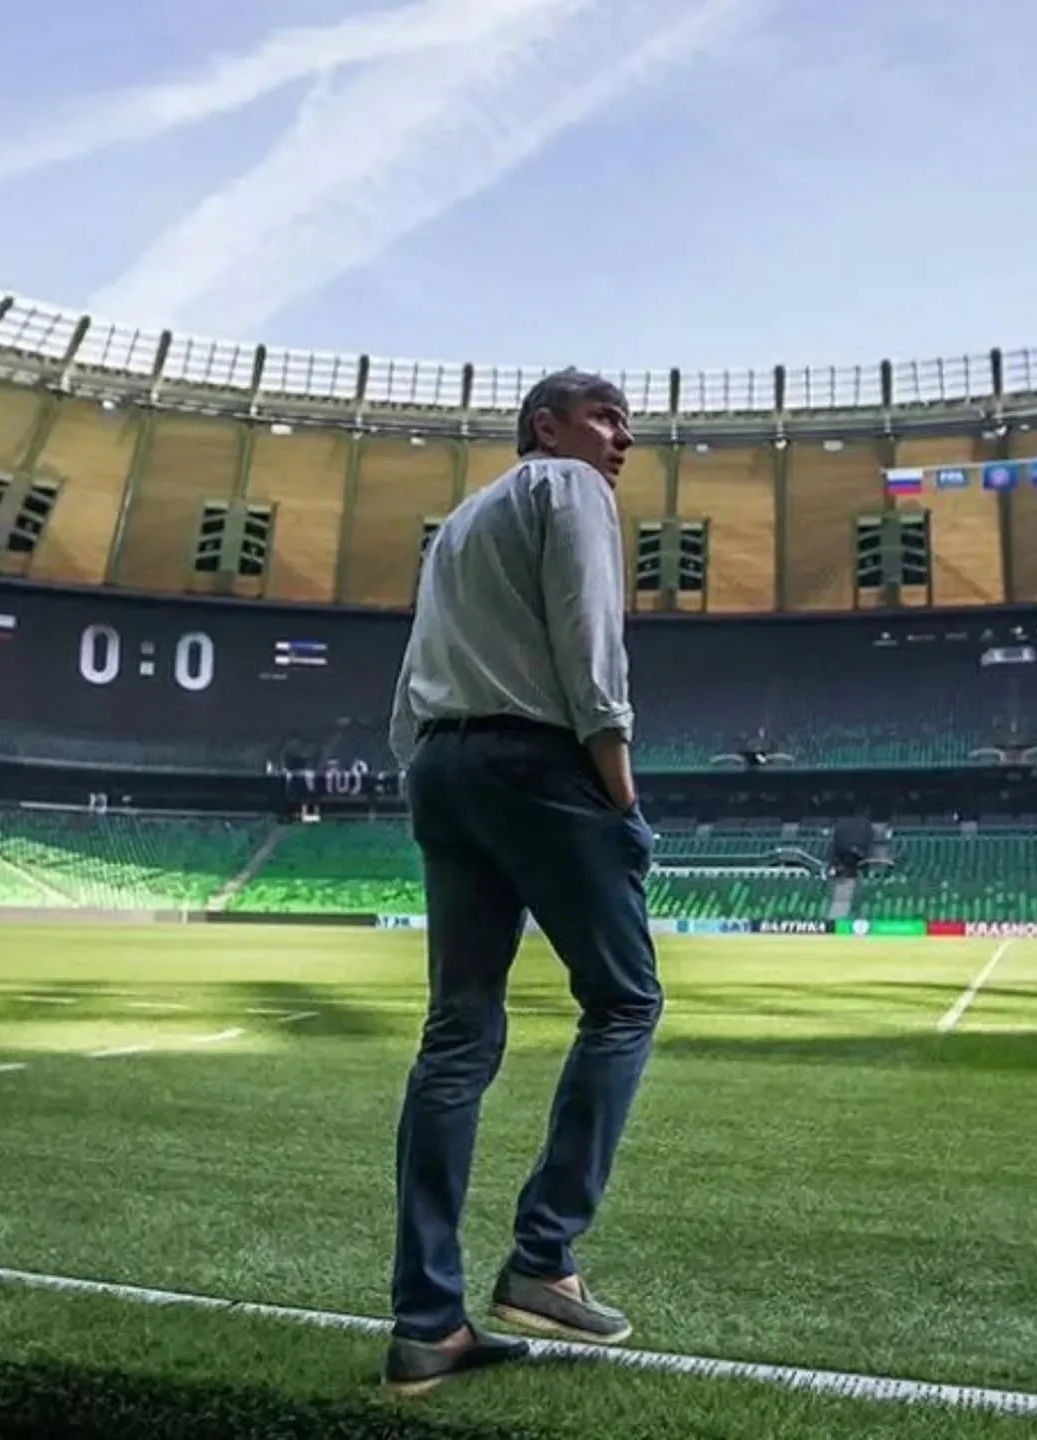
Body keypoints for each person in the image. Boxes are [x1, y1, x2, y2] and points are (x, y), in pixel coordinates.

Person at [380, 369, 663, 1395]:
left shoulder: (460, 524)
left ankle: (427, 1327)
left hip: (441, 766)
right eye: (605, 417)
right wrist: (620, 789)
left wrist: (428, 766)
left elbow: (412, 674)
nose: (622, 438)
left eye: (626, 423)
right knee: (625, 1002)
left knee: (456, 1037)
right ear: (546, 425)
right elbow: (592, 637)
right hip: (537, 764)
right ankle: (544, 1258)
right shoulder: (569, 488)